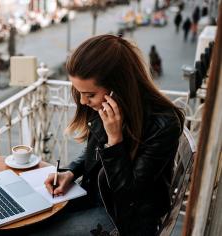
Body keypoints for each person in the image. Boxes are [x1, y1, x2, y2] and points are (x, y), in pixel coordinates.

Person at [42, 35, 185, 235]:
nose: (83, 101)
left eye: (90, 94)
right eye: (78, 91)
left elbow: (129, 195)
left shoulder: (163, 123)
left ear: (118, 88)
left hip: (125, 220)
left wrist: (115, 140)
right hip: (93, 198)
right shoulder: (107, 105)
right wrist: (72, 172)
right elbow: (95, 152)